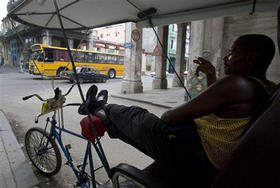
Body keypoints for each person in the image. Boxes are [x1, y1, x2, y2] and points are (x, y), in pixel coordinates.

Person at [79, 34, 276, 187]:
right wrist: (211, 76)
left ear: (251, 58)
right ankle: (99, 109)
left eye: (232, 53)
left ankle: (97, 106)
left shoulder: (237, 83)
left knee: (137, 116)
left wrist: (169, 118)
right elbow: (223, 110)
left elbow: (170, 116)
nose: (226, 58)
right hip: (207, 158)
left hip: (192, 154)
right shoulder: (266, 86)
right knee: (128, 127)